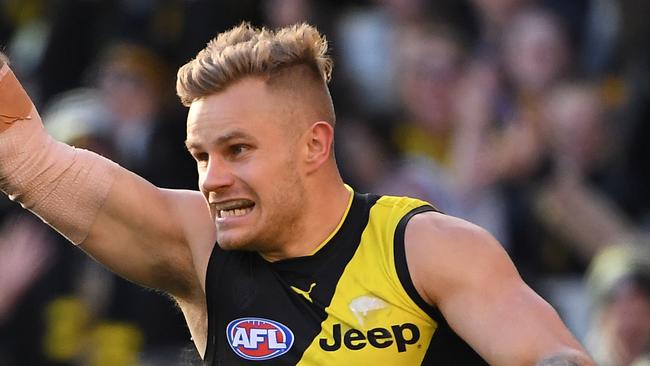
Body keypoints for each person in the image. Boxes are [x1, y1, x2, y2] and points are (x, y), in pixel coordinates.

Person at [0, 22, 595, 365]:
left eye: (237, 151)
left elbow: (550, 358)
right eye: (201, 156)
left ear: (314, 146)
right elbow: (26, 157)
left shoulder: (426, 248)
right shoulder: (198, 247)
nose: (211, 180)